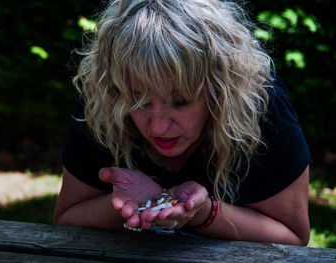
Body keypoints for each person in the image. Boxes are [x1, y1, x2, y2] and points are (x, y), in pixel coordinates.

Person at [54, 0, 311, 245]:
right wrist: (130, 207)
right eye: (137, 100)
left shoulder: (261, 104)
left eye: (181, 102)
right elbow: (66, 218)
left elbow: (293, 236)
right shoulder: (104, 99)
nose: (157, 127)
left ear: (219, 88)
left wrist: (204, 212)